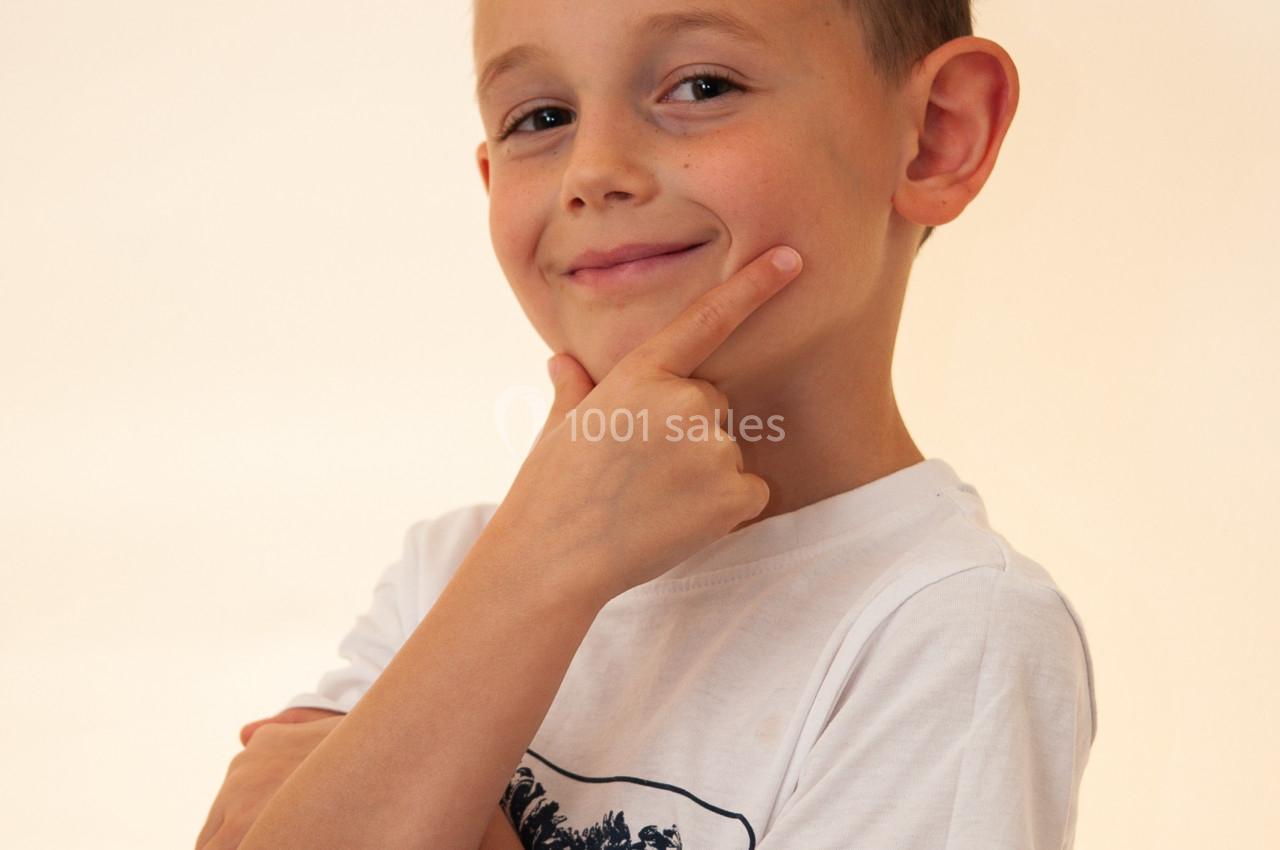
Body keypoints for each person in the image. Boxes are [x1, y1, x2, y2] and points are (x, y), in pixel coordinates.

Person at [204, 1, 1098, 848]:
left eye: (702, 87)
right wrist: (537, 571)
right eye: (540, 117)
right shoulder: (456, 572)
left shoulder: (949, 630)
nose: (592, 172)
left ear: (939, 134)